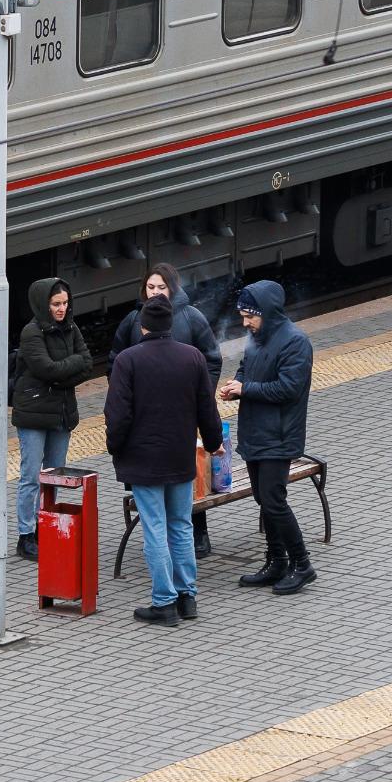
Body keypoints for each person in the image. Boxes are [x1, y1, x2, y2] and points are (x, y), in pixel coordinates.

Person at [106, 297, 224, 625]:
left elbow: (118, 414)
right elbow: (207, 408)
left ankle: (164, 602)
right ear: (170, 325)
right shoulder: (193, 357)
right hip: (180, 456)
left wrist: (114, 447)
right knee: (181, 525)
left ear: (143, 326)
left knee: (155, 528)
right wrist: (214, 443)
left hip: (144, 461)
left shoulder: (128, 361)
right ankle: (188, 598)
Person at [114, 265, 223, 556]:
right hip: (145, 419)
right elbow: (116, 362)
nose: (155, 293)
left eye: (161, 288)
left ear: (172, 288)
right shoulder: (133, 320)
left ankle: (199, 531)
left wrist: (201, 395)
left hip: (183, 415)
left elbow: (212, 359)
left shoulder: (191, 317)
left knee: (190, 475)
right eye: (150, 287)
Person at [219, 281, 315, 594]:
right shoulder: (257, 336)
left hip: (279, 434)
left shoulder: (295, 342)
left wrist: (247, 390)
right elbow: (247, 367)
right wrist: (237, 384)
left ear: (268, 313)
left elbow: (289, 388)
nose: (245, 323)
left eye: (250, 316)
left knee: (274, 500)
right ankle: (276, 561)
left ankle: (302, 564)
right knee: (264, 498)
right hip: (257, 432)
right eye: (243, 315)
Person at [9, 278, 96, 559]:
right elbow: (46, 369)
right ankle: (26, 534)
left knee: (54, 475)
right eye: (56, 304)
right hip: (34, 413)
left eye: (64, 303)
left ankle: (44, 524)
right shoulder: (31, 333)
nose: (61, 309)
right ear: (43, 304)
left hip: (60, 413)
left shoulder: (71, 328)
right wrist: (66, 371)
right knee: (31, 476)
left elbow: (88, 365)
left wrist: (61, 373)